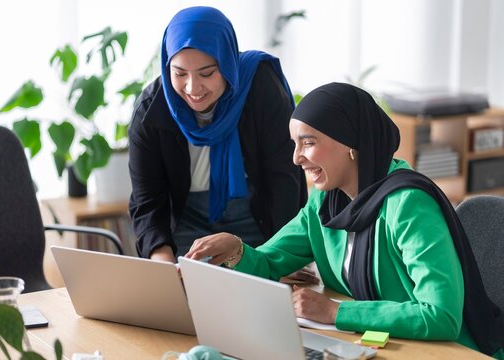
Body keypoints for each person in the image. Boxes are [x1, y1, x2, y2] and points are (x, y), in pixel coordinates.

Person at [186, 82, 504, 358]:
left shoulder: (408, 204)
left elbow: (440, 316)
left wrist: (335, 311)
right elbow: (270, 263)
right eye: (295, 144)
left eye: (308, 143)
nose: (296, 158)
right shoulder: (326, 201)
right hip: (376, 344)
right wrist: (237, 250)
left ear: (351, 143)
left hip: (443, 353)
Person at [128, 6, 307, 263]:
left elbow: (285, 184)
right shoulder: (150, 110)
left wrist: (280, 260)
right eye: (179, 73)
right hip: (187, 229)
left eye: (207, 73)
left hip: (260, 224)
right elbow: (147, 202)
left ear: (227, 62)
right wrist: (163, 265)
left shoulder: (260, 87)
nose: (192, 88)